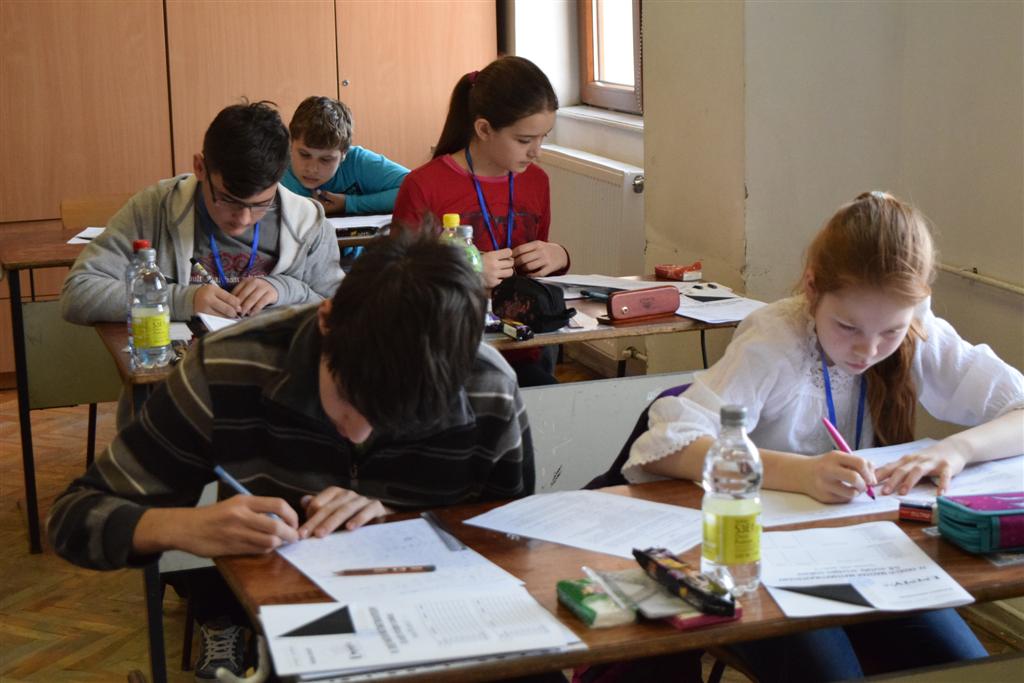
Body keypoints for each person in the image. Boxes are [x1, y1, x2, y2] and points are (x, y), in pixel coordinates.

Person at [48, 231, 534, 680]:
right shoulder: (228, 369)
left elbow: (512, 542)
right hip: (302, 643)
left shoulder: (486, 385)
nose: (359, 431)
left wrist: (401, 520)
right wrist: (184, 528)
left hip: (445, 636)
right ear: (327, 321)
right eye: (350, 398)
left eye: (397, 418)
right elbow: (74, 520)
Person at [620, 191, 1024, 681]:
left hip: (866, 554)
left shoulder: (917, 329)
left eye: (890, 332)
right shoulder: (775, 339)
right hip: (759, 562)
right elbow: (666, 447)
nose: (867, 349)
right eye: (848, 326)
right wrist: (802, 473)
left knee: (964, 668)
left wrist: (957, 449)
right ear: (812, 288)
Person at [61, 101, 342, 324]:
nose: (243, 220)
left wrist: (286, 289)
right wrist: (181, 301)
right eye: (228, 200)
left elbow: (342, 310)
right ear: (199, 168)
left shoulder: (308, 222)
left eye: (260, 204)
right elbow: (79, 292)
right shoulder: (155, 208)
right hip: (182, 368)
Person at [393, 55, 571, 386]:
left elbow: (536, 269)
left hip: (520, 346)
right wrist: (467, 273)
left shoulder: (536, 181)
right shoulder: (424, 185)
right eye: (524, 140)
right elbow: (398, 284)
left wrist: (558, 256)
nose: (537, 152)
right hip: (448, 353)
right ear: (484, 129)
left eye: (543, 137)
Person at [280, 95, 409, 216]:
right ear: (290, 143)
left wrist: (349, 203)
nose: (312, 169)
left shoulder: (357, 161)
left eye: (325, 159)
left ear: (344, 153)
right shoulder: (277, 168)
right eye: (304, 155)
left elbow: (414, 189)